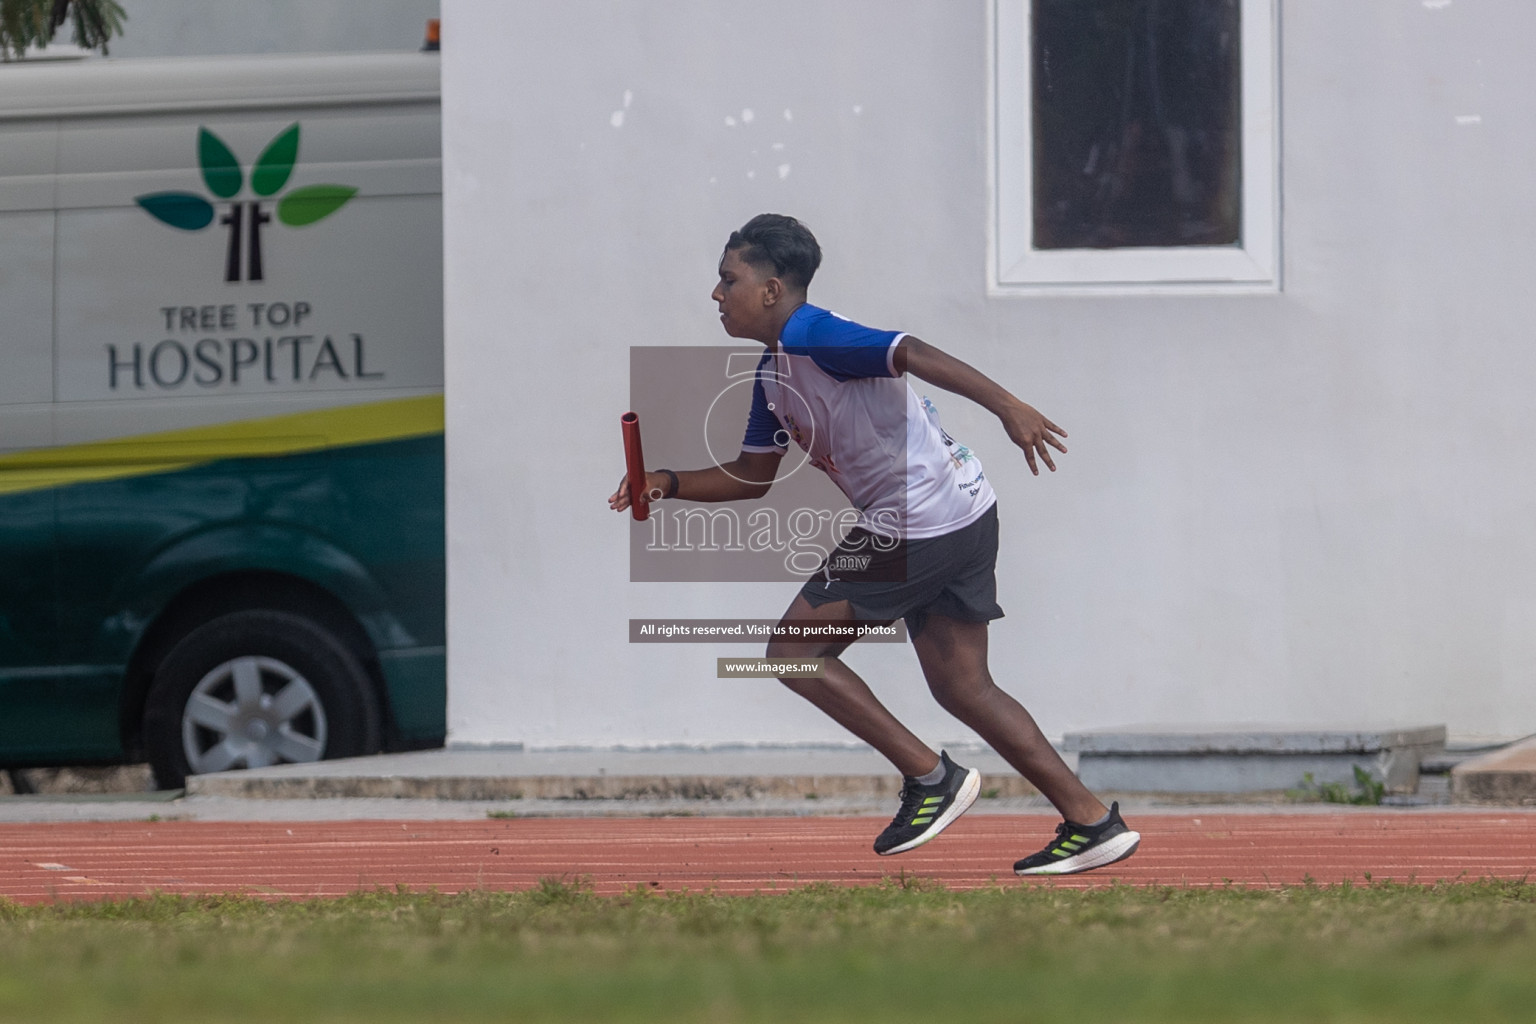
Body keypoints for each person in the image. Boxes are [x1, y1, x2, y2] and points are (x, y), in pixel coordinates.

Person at [609, 213, 1138, 875]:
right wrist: (665, 482)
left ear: (773, 290)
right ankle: (1092, 821)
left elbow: (908, 349)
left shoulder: (810, 334)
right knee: (965, 688)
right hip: (963, 511)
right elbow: (751, 476)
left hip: (915, 523)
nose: (716, 294)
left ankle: (931, 778)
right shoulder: (771, 376)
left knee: (792, 651)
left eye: (728, 280)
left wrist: (1009, 405)